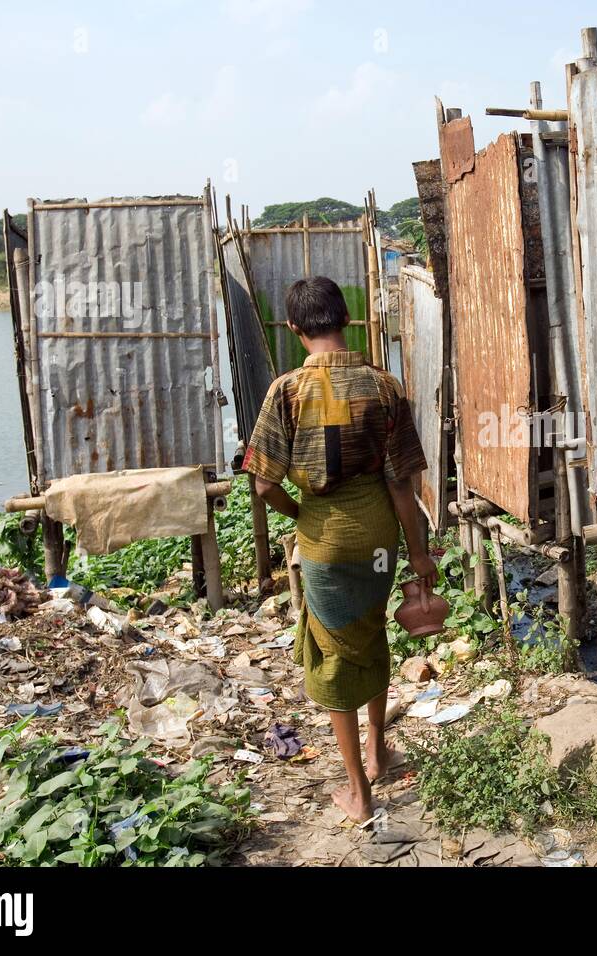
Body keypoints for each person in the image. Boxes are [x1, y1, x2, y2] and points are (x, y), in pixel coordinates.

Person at [242, 276, 437, 824]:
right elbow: (403, 482)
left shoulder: (286, 391)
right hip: (378, 540)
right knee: (371, 629)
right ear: (346, 320)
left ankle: (358, 792)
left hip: (325, 544)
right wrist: (419, 554)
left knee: (333, 654)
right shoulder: (384, 386)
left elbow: (262, 483)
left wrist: (300, 512)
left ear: (296, 329)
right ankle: (378, 751)